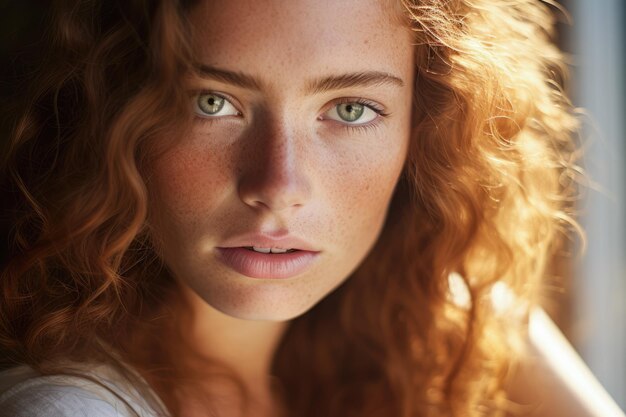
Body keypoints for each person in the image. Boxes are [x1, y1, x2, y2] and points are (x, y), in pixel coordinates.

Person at [0, 0, 622, 416]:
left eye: (350, 109)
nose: (278, 184)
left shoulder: (341, 377)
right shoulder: (70, 408)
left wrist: (496, 316)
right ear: (118, 116)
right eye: (212, 102)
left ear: (424, 133)